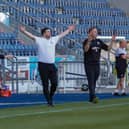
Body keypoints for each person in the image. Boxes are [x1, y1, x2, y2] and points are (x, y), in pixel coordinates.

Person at [20, 25, 75, 106]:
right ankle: (49, 101)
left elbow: (62, 35)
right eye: (48, 31)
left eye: (50, 31)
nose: (49, 33)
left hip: (51, 65)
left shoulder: (53, 39)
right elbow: (31, 36)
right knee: (45, 84)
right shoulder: (39, 40)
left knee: (55, 83)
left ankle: (51, 96)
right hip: (42, 65)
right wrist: (24, 31)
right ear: (43, 33)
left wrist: (69, 30)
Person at [83, 27, 116, 103]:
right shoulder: (86, 41)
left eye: (96, 31)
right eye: (94, 31)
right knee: (91, 80)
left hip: (97, 64)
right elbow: (86, 49)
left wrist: (112, 41)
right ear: (90, 32)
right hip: (89, 64)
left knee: (94, 80)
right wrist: (88, 41)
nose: (96, 33)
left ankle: (91, 97)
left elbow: (108, 49)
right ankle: (93, 96)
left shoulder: (99, 41)